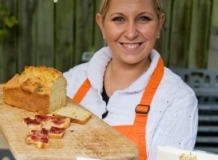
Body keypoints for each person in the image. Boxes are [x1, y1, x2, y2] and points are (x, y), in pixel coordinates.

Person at [63, 0, 198, 160]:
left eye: (143, 19)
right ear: (101, 24)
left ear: (159, 24)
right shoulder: (70, 82)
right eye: (119, 19)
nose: (131, 33)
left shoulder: (178, 100)